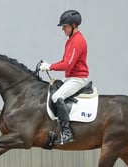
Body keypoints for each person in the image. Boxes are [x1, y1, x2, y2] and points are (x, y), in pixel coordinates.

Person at [40, 10, 89, 145]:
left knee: (56, 97)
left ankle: (67, 133)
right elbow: (65, 61)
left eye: (65, 26)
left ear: (73, 25)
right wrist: (50, 66)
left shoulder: (78, 40)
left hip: (78, 78)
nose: (62, 29)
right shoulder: (70, 41)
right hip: (70, 78)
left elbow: (67, 64)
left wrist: (50, 66)